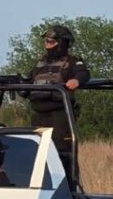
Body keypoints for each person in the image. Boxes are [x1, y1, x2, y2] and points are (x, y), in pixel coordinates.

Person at [22, 25, 90, 175]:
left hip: (60, 116)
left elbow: (84, 74)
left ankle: (70, 189)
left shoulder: (72, 61)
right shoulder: (40, 63)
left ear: (62, 43)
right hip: (39, 115)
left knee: (62, 154)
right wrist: (20, 87)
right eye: (47, 41)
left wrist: (76, 81)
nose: (48, 43)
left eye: (52, 41)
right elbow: (28, 81)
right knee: (38, 153)